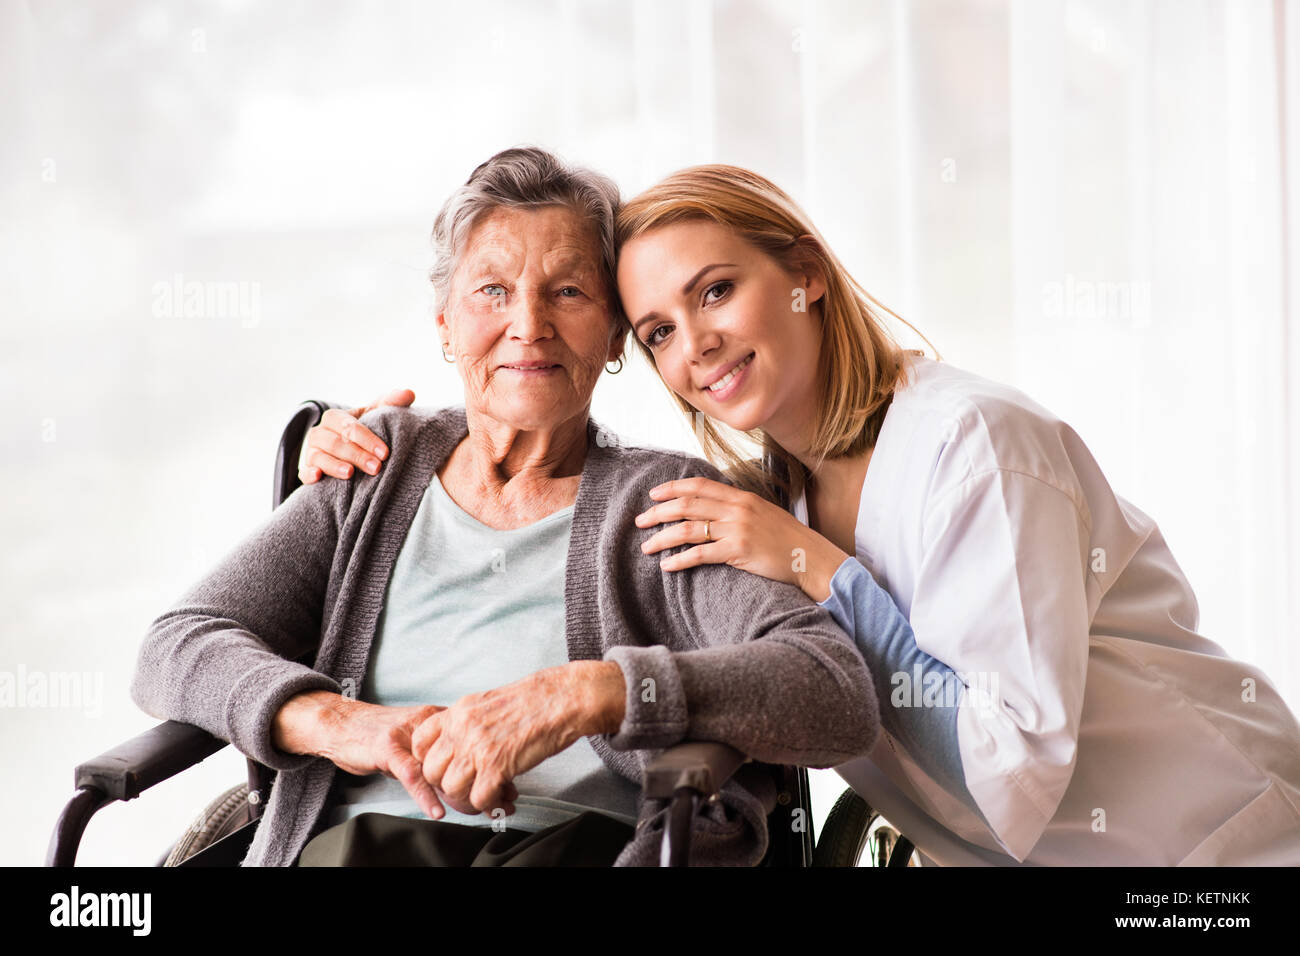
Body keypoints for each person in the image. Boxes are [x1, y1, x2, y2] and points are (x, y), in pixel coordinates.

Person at [311, 161, 1300, 865]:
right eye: (658, 329)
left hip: (1208, 843)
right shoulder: (755, 494)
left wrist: (820, 569)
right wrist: (326, 438)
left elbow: (1010, 775)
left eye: (717, 291)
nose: (693, 344)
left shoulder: (974, 445)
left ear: (804, 274)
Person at [129, 148, 886, 868]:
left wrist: (592, 691)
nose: (529, 324)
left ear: (616, 334)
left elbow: (834, 692)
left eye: (567, 291)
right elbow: (177, 645)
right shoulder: (371, 466)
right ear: (445, 328)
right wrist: (336, 723)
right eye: (492, 291)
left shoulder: (664, 504)